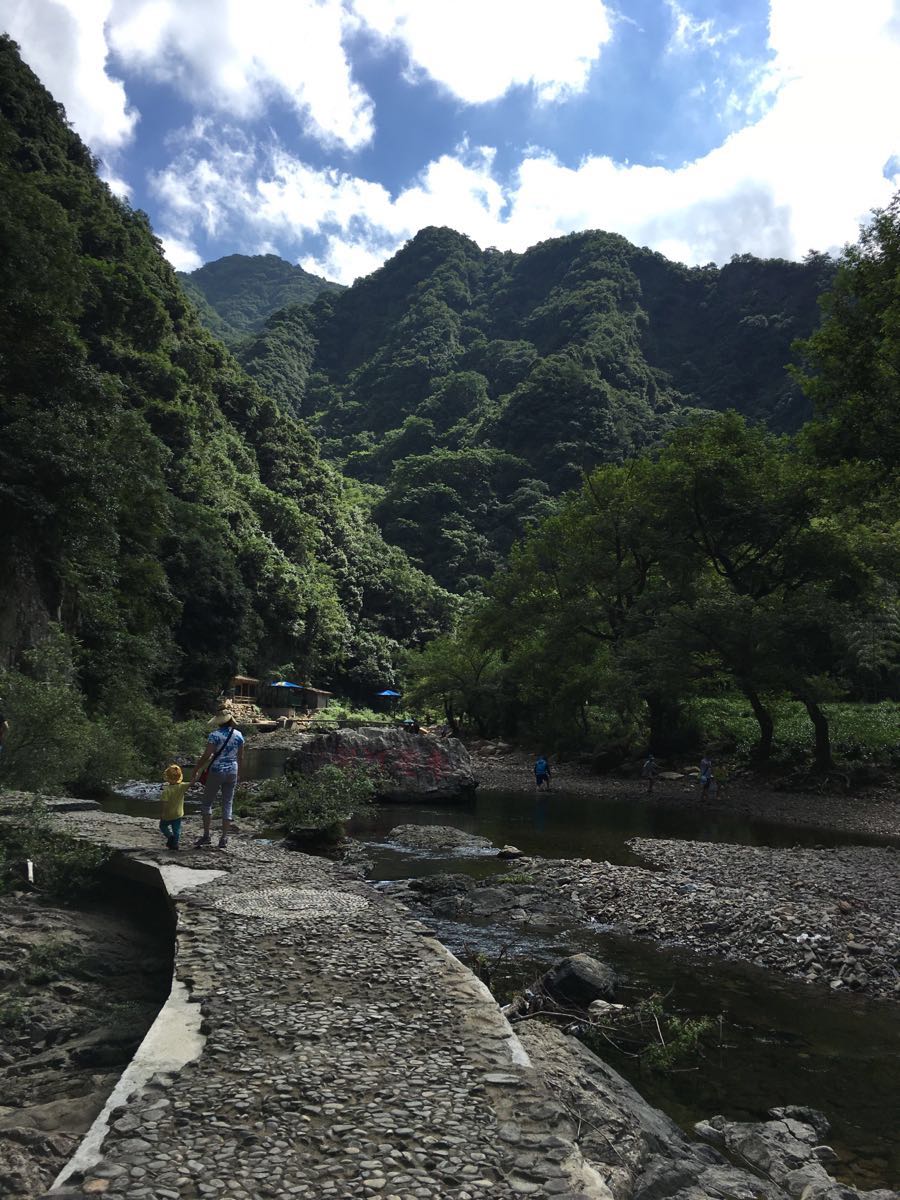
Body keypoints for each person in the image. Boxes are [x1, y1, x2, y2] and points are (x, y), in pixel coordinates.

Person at [191, 708, 244, 849]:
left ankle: (207, 836)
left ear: (218, 722)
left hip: (217, 771)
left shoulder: (214, 735)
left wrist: (196, 768)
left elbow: (207, 755)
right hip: (233, 770)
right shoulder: (238, 734)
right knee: (227, 803)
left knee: (207, 803)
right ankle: (224, 838)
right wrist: (239, 773)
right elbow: (240, 757)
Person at [159, 764, 191, 851]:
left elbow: (164, 803)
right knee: (176, 829)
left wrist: (162, 813)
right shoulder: (182, 786)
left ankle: (170, 837)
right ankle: (175, 844)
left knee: (162, 826)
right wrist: (197, 773)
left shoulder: (166, 790)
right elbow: (192, 782)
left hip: (168, 814)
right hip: (178, 813)